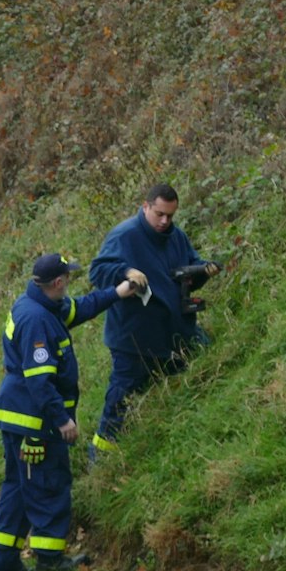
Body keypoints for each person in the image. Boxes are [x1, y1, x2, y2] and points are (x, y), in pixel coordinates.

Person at [0, 252, 147, 571]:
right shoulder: (38, 322)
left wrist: (118, 292)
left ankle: (3, 560)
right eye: (68, 279)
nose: (70, 285)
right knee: (48, 485)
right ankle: (49, 561)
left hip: (16, 415)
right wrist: (61, 420)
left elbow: (81, 307)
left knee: (18, 486)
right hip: (36, 423)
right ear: (57, 283)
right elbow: (39, 380)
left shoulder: (38, 304)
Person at [87, 183, 219, 458]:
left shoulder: (176, 236)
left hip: (176, 333)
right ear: (145, 206)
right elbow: (98, 271)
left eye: (170, 216)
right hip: (134, 340)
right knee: (120, 401)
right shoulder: (125, 236)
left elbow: (189, 268)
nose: (164, 221)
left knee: (208, 367)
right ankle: (100, 457)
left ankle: (185, 444)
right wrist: (126, 270)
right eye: (159, 214)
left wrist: (203, 270)